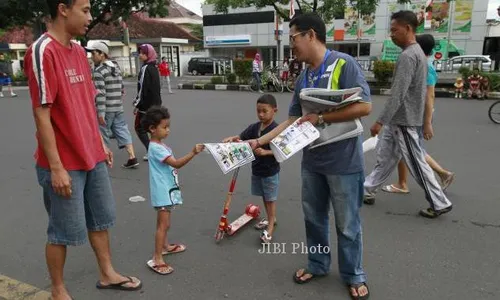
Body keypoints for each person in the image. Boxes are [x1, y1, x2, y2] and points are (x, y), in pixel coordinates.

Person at [247, 13, 371, 299]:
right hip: (312, 162)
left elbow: (365, 107)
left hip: (344, 162)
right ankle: (318, 263)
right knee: (314, 218)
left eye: (294, 38)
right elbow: (292, 120)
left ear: (311, 35)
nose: (292, 45)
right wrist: (258, 140)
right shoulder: (304, 77)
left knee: (347, 223)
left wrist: (322, 117)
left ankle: (353, 274)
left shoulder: (343, 63)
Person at [24, 1, 142, 299]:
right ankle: (58, 289)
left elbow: (87, 103)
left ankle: (107, 273)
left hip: (91, 155)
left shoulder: (78, 51)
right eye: (85, 10)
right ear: (63, 9)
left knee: (100, 219)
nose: (90, 18)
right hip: (63, 162)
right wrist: (55, 167)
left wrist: (100, 142)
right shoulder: (42, 51)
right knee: (62, 231)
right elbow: (42, 112)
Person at [363, 11, 453, 219]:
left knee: (416, 164)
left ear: (408, 29)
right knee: (385, 159)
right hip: (401, 119)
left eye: (395, 30)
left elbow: (398, 94)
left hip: (404, 120)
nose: (391, 35)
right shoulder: (418, 53)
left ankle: (439, 202)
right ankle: (367, 189)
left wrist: (379, 121)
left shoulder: (408, 55)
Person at [381, 34, 454, 195]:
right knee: (408, 149)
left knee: (413, 150)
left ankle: (437, 176)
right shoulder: (423, 63)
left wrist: (427, 122)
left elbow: (430, 95)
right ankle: (404, 182)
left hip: (417, 115)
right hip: (415, 114)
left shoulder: (425, 66)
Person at [141, 106, 204, 275]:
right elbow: (176, 163)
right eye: (164, 127)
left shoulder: (159, 144)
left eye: (168, 126)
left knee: (164, 223)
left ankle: (165, 246)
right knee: (163, 225)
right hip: (162, 191)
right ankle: (157, 257)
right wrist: (193, 153)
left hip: (166, 189)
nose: (168, 130)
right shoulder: (156, 148)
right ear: (152, 129)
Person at [222, 94, 280, 243]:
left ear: (275, 110)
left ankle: (271, 227)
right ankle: (270, 218)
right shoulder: (254, 127)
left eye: (264, 111)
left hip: (270, 171)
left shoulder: (277, 129)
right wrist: (232, 139)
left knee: (270, 199)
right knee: (264, 196)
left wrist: (266, 152)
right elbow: (241, 137)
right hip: (258, 169)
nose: (261, 114)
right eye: (258, 111)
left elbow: (283, 150)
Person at [86, 41, 139, 169]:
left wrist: (100, 113)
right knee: (122, 130)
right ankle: (132, 157)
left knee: (102, 134)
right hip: (118, 107)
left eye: (94, 54)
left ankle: (104, 161)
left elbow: (100, 94)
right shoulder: (115, 67)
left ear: (102, 54)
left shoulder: (98, 72)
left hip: (106, 109)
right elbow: (121, 88)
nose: (91, 57)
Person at [133, 44, 162, 161]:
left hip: (146, 106)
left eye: (143, 53)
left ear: (148, 54)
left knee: (139, 128)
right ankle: (156, 151)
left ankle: (151, 150)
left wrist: (137, 104)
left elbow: (142, 89)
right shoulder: (154, 67)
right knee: (153, 128)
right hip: (156, 103)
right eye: (140, 52)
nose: (140, 55)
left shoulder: (145, 68)